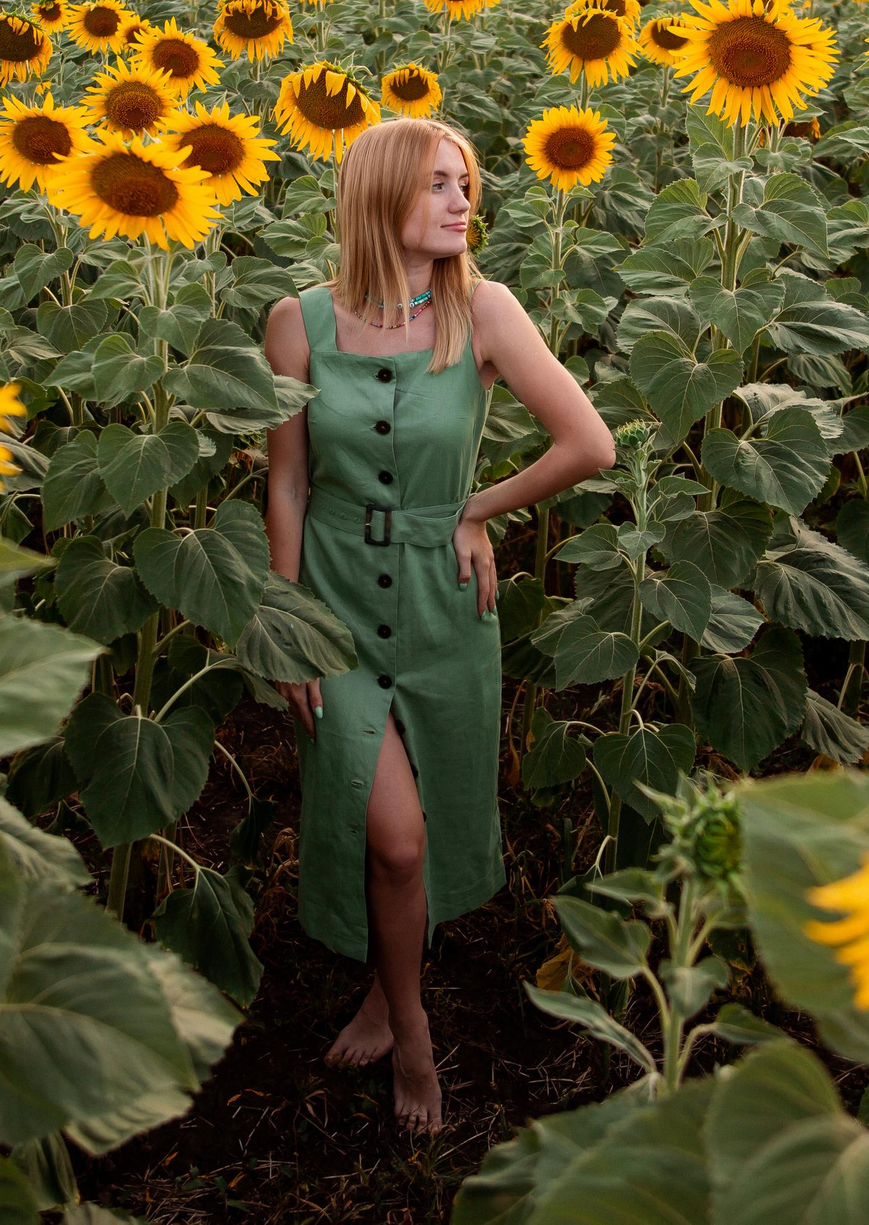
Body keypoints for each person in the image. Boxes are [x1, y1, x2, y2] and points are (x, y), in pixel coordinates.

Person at [262, 116, 615, 1134]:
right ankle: (414, 1034)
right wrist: (284, 619)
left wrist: (473, 509)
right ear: (379, 200)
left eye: (465, 184)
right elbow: (286, 484)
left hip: (442, 600)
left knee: (430, 822)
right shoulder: (299, 322)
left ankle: (385, 986)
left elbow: (586, 442)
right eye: (439, 187)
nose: (464, 203)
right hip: (331, 596)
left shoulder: (484, 312)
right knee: (397, 839)